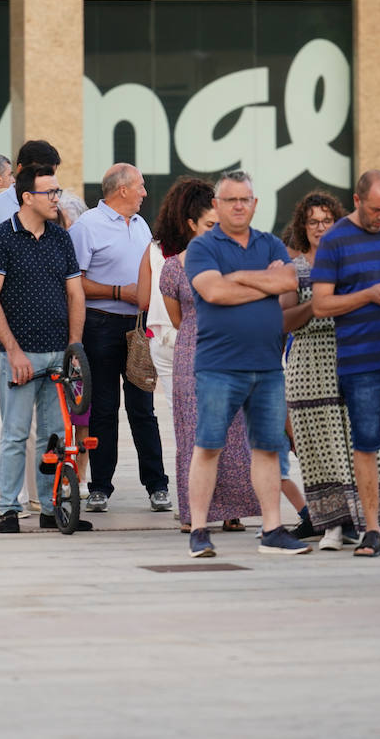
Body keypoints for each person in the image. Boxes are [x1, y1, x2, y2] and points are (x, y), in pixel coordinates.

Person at [184, 169, 307, 558]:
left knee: (268, 448)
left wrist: (239, 277)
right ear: (216, 206)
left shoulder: (270, 243)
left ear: (255, 204)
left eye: (245, 199)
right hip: (219, 365)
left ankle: (272, 529)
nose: (239, 205)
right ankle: (199, 530)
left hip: (269, 365)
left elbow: (290, 282)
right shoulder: (204, 247)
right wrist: (261, 283)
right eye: (231, 199)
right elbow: (214, 292)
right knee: (208, 446)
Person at [283, 190, 380, 551]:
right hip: (308, 363)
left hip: (353, 357)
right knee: (318, 449)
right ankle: (334, 527)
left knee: (366, 442)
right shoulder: (296, 267)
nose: (320, 228)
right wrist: (317, 306)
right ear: (302, 227)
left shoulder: (350, 260)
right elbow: (284, 321)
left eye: (326, 221)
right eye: (312, 222)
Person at [311, 170, 380, 558]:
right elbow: (322, 303)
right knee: (366, 444)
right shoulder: (336, 241)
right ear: (357, 201)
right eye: (376, 209)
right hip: (361, 363)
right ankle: (372, 529)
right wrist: (366, 296)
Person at [0, 165, 90, 533]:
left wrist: (74, 347)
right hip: (20, 355)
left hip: (59, 353)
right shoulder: (1, 237)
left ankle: (50, 507)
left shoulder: (61, 238)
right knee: (14, 433)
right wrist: (12, 350)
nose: (58, 199)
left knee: (55, 437)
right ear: (28, 197)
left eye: (57, 192)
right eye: (51, 193)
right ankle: (9, 509)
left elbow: (76, 293)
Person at [0, 139, 61, 514]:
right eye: (41, 173)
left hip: (43, 327)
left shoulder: (54, 209)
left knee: (48, 414)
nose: (49, 183)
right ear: (20, 172)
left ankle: (44, 495)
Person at [156, 176, 260, 532]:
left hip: (232, 352)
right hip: (192, 357)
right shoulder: (174, 267)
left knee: (234, 433)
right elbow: (178, 318)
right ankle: (194, 514)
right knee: (194, 433)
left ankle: (232, 510)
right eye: (210, 225)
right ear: (191, 225)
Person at [68, 163, 170, 513]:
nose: (145, 192)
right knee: (105, 409)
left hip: (138, 327)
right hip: (100, 325)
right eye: (140, 186)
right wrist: (116, 290)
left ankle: (157, 485)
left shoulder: (141, 225)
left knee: (144, 408)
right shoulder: (86, 227)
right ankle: (99, 487)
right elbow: (74, 281)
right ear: (122, 189)